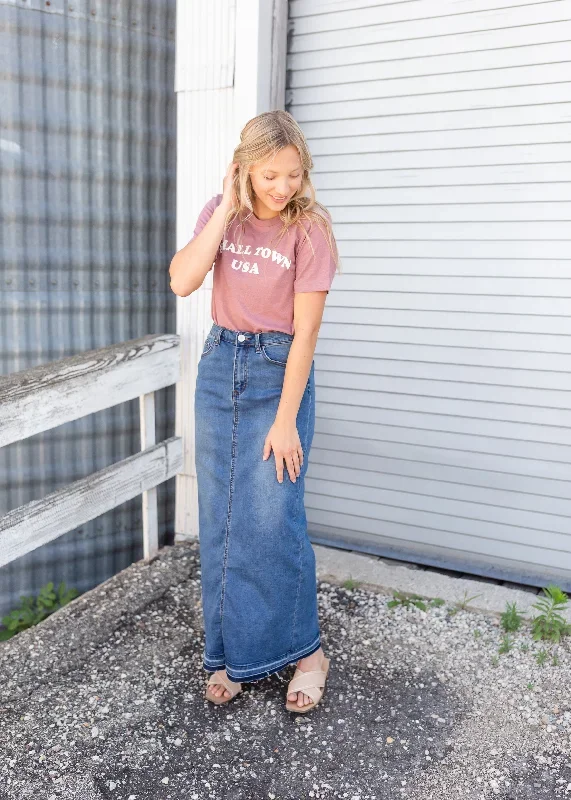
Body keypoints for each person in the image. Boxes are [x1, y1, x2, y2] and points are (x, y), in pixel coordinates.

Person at [169, 109, 341, 713]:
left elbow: (307, 333)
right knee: (222, 517)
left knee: (274, 516)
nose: (283, 187)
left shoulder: (309, 230)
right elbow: (183, 280)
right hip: (221, 369)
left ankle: (307, 653)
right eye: (270, 174)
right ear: (245, 168)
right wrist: (225, 208)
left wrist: (287, 417)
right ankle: (231, 655)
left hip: (278, 372)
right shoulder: (224, 215)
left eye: (293, 175)